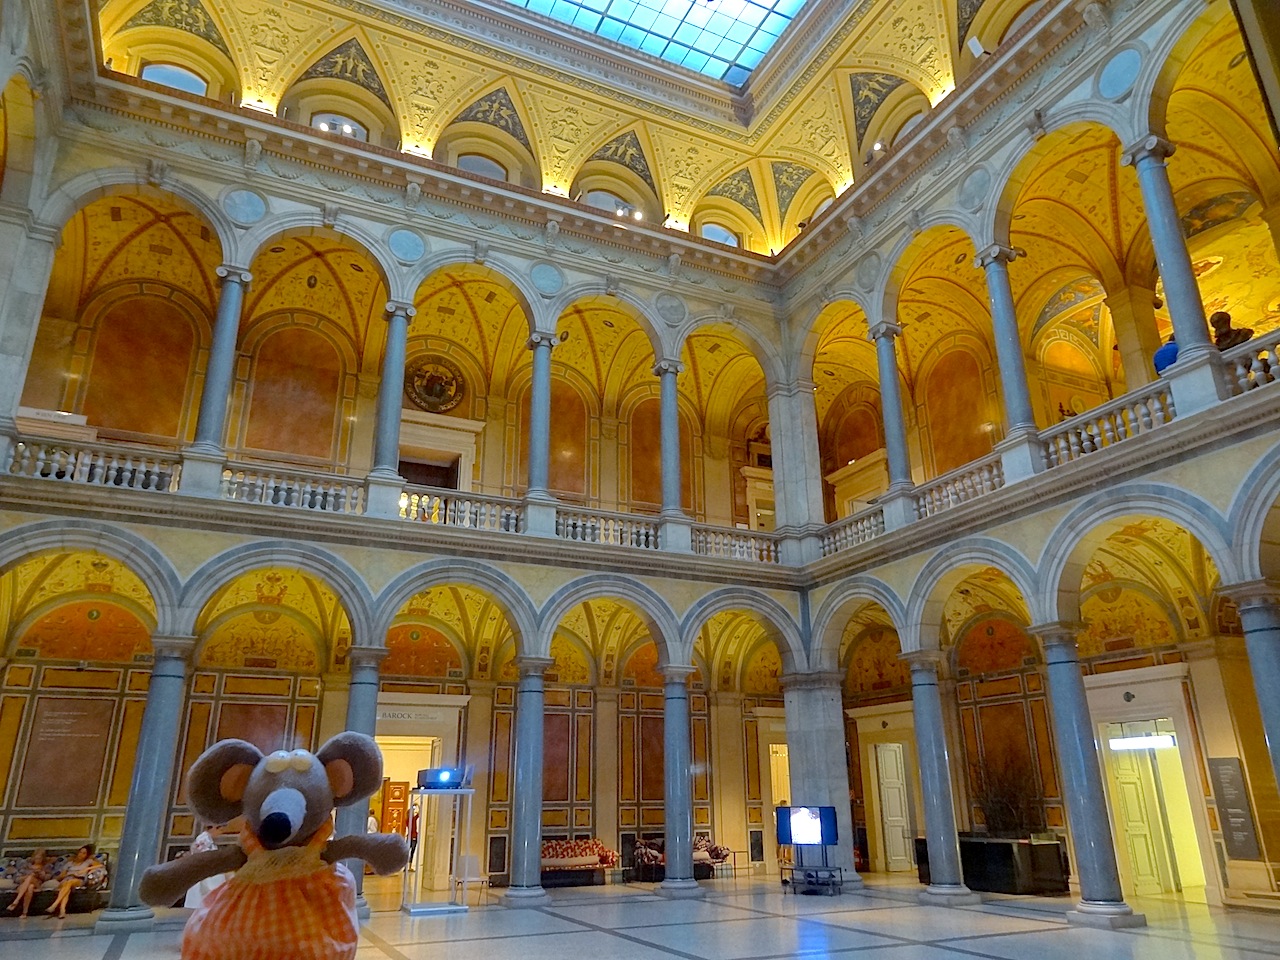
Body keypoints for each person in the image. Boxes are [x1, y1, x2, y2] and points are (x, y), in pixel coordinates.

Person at [184, 823, 232, 909]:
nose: (220, 833)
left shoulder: (207, 840)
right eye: (220, 830)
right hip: (204, 874)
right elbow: (206, 860)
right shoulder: (204, 840)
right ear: (214, 827)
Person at [45, 844, 97, 919]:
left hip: (78, 880)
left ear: (86, 855)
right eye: (80, 852)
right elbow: (61, 876)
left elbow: (100, 866)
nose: (81, 854)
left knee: (69, 882)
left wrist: (86, 869)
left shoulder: (88, 862)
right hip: (67, 879)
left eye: (84, 853)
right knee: (67, 886)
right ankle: (62, 911)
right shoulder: (69, 863)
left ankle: (55, 905)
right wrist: (69, 874)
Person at [5, 848, 50, 919]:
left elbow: (48, 877)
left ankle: (16, 901)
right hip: (24, 885)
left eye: (40, 858)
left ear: (43, 858)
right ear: (33, 857)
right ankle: (24, 913)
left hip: (37, 885)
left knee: (31, 878)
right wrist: (27, 876)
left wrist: (41, 874)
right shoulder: (26, 866)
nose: (38, 859)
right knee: (30, 887)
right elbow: (17, 878)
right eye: (36, 857)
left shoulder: (46, 867)